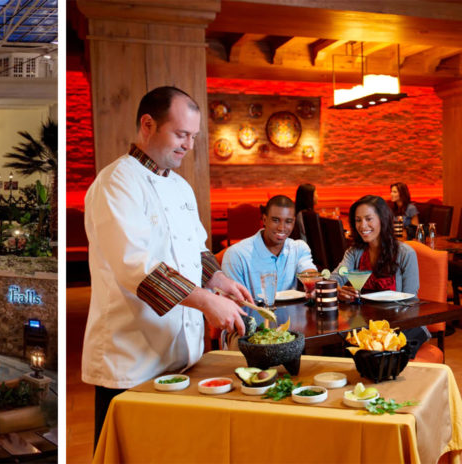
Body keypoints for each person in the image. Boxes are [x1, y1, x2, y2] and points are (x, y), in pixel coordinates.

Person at [82, 86, 252, 448]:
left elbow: (196, 250)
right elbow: (137, 267)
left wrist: (219, 279)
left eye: (193, 136)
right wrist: (208, 302)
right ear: (148, 124)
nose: (188, 145)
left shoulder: (181, 187)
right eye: (180, 134)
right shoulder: (116, 183)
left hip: (181, 355)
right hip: (131, 358)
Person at [332, 195, 429, 356]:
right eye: (358, 220)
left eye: (369, 219)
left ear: (382, 220)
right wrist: (337, 289)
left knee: (372, 353)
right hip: (365, 325)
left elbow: (411, 301)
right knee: (337, 347)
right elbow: (336, 276)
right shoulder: (354, 253)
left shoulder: (405, 254)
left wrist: (383, 333)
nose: (363, 226)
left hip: (402, 325)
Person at [222, 195, 317, 307]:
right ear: (264, 220)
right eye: (276, 220)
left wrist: (312, 283)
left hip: (290, 321)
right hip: (253, 321)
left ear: (294, 222)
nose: (282, 228)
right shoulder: (236, 255)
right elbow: (232, 304)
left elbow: (308, 271)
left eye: (288, 221)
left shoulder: (299, 248)